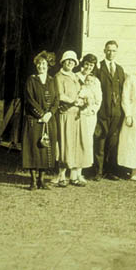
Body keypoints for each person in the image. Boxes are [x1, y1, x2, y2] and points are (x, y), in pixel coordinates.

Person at [21, 51, 59, 190]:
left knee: (45, 149)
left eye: (43, 64)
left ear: (48, 65)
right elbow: (30, 100)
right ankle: (33, 181)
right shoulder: (31, 80)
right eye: (39, 64)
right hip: (34, 120)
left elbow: (56, 99)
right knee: (33, 149)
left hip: (49, 119)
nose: (41, 66)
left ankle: (42, 180)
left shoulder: (52, 80)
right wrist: (41, 115)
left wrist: (50, 113)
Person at [93, 40, 126, 181]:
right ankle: (98, 172)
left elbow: (123, 90)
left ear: (116, 52)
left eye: (113, 51)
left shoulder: (119, 69)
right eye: (109, 50)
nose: (111, 53)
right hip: (102, 112)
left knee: (113, 143)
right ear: (104, 51)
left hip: (116, 113)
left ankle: (111, 170)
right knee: (100, 142)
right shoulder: (98, 68)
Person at [54, 50, 85, 187]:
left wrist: (82, 102)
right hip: (65, 114)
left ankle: (73, 176)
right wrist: (73, 101)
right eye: (68, 60)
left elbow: (81, 93)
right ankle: (61, 176)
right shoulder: (59, 76)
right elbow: (60, 95)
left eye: (72, 61)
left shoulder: (76, 77)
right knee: (65, 143)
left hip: (76, 115)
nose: (70, 63)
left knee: (74, 144)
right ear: (63, 62)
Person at [74, 53, 102, 184]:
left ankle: (80, 172)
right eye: (86, 64)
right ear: (82, 63)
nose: (88, 67)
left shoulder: (96, 81)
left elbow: (98, 99)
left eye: (91, 65)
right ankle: (72, 171)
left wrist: (92, 110)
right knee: (75, 141)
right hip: (76, 114)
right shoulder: (76, 77)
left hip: (90, 116)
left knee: (86, 142)